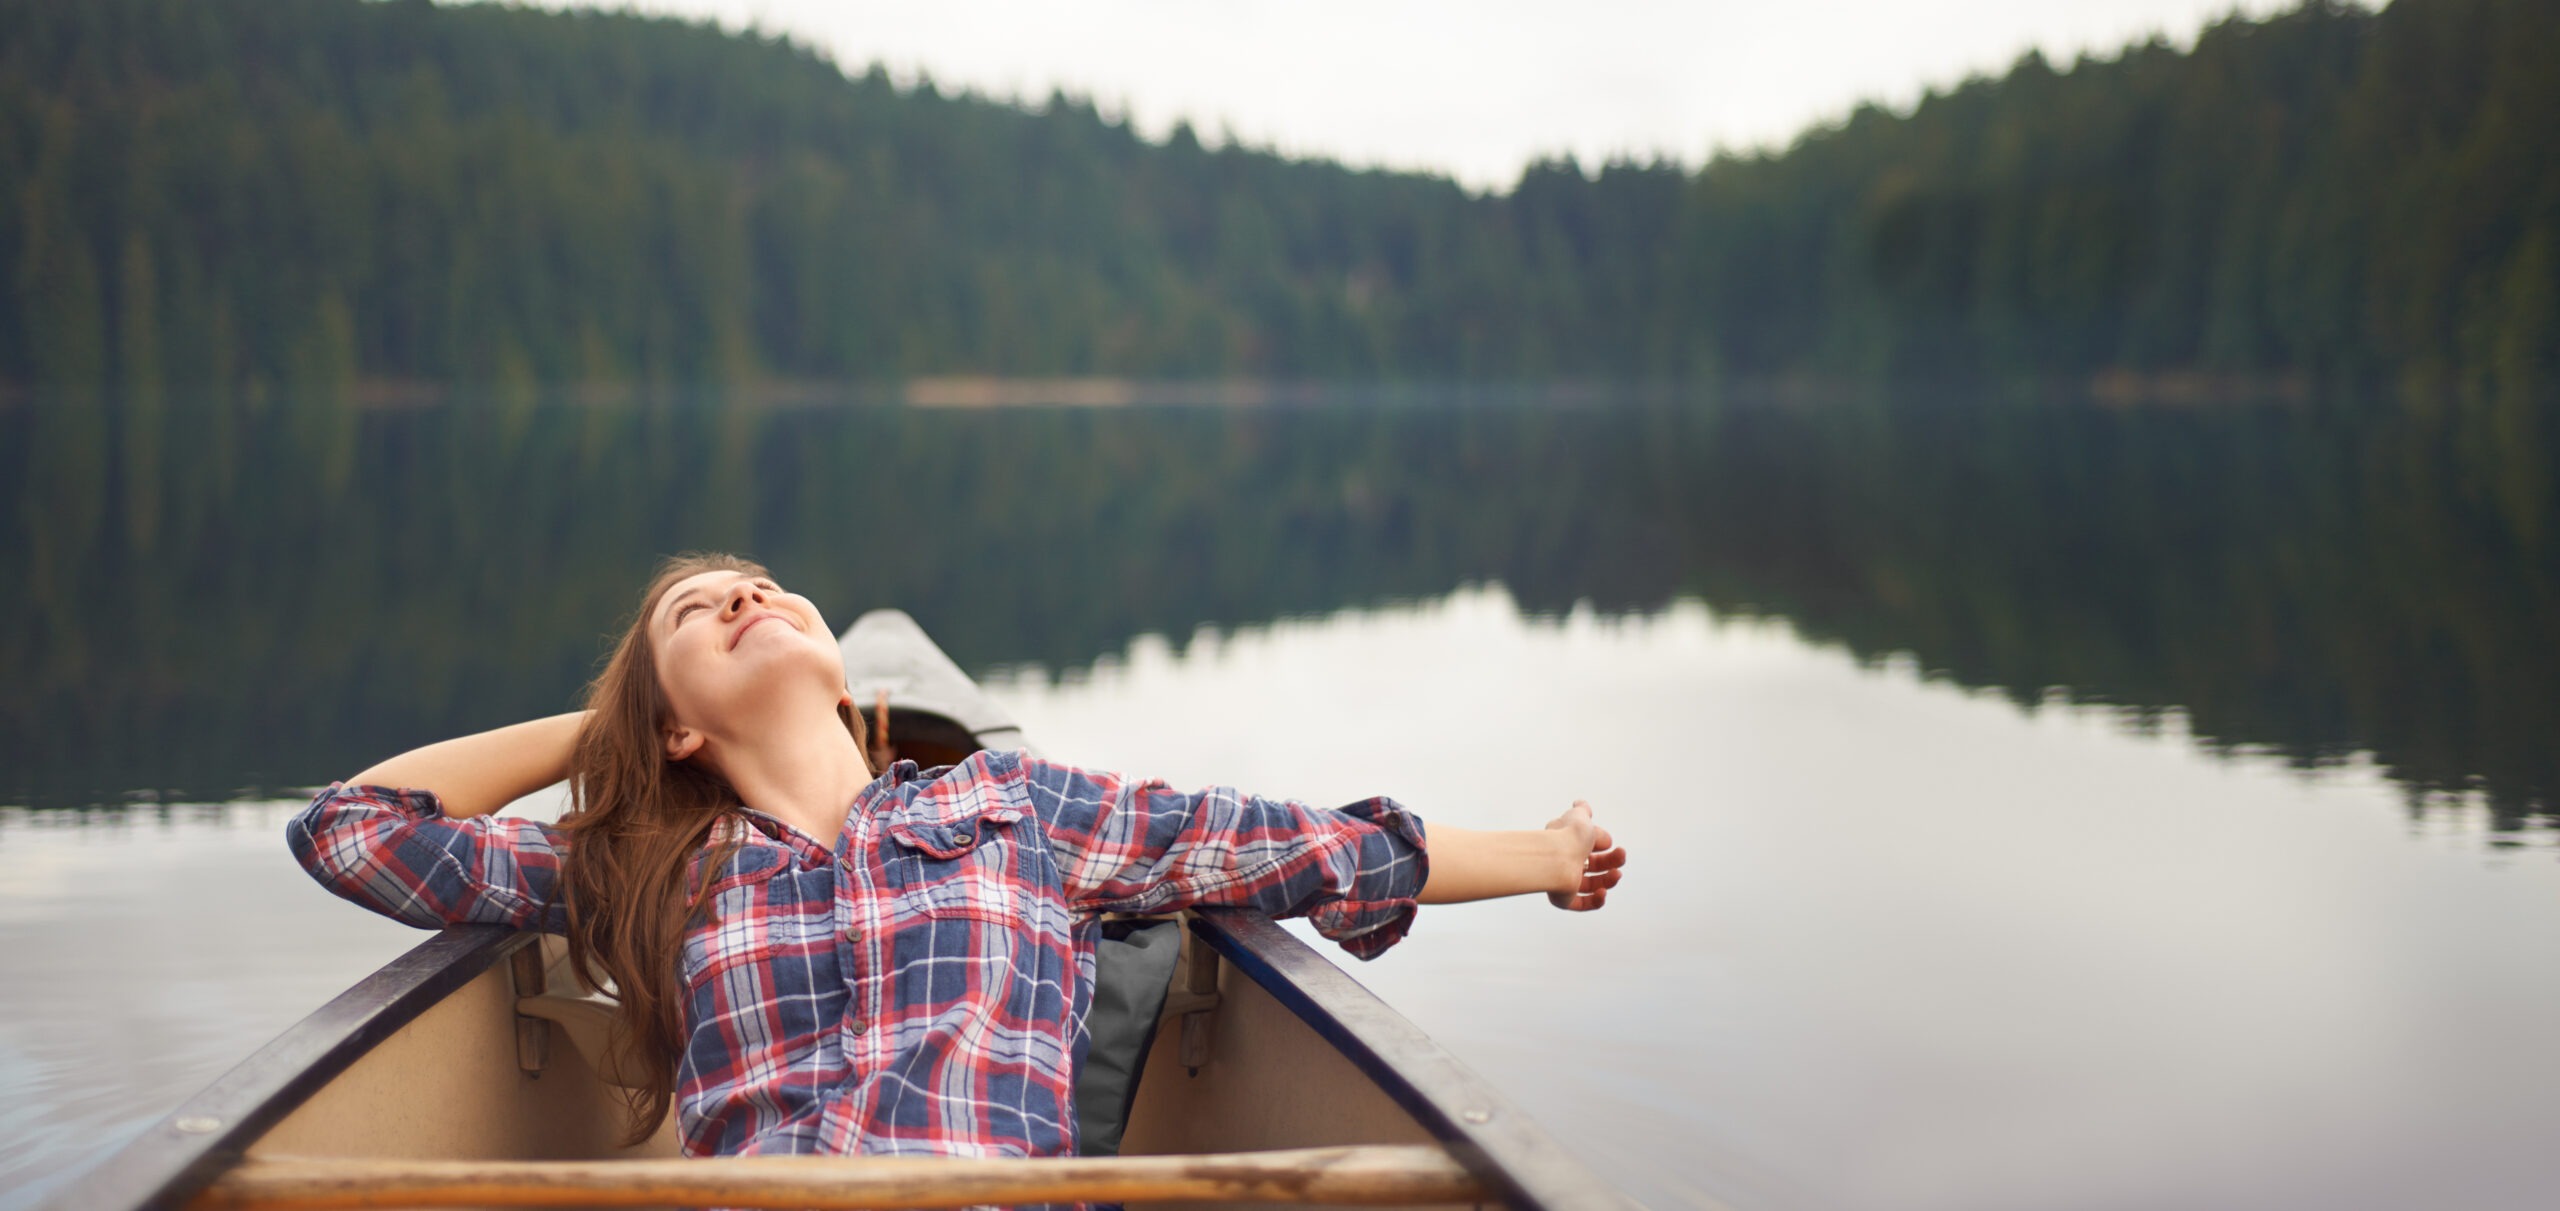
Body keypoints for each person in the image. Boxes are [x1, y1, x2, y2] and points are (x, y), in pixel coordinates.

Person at [288, 552, 1626, 1165]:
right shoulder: (645, 871)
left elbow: (1309, 852)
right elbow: (353, 832)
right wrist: (610, 727)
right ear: (677, 721)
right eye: (697, 614)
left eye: (761, 584)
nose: (744, 595)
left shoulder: (1020, 810)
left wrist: (1549, 852)